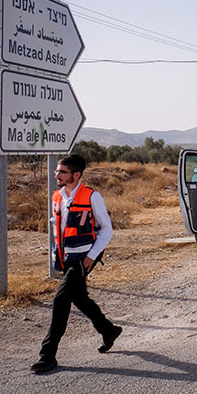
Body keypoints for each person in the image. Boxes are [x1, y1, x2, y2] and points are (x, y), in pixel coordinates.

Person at [31, 154, 122, 373]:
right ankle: (108, 330)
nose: (57, 175)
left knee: (61, 300)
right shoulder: (57, 197)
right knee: (80, 298)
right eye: (57, 171)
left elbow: (106, 229)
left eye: (62, 172)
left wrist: (91, 257)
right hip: (65, 259)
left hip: (83, 259)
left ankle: (47, 354)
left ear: (76, 175)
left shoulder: (92, 196)